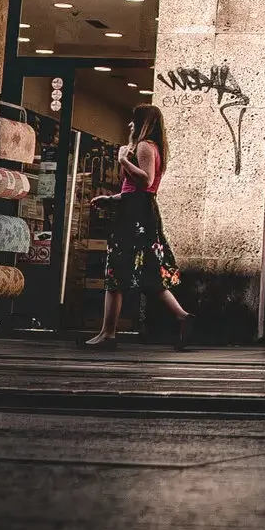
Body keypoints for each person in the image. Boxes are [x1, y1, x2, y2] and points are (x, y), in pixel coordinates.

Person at [87, 103, 192, 348]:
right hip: (141, 211)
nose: (130, 124)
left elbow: (146, 180)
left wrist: (124, 160)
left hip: (134, 217)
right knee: (149, 273)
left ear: (143, 123)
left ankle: (108, 334)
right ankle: (183, 317)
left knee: (115, 271)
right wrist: (112, 199)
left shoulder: (144, 146)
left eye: (134, 120)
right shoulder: (154, 147)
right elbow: (139, 190)